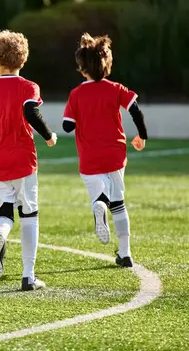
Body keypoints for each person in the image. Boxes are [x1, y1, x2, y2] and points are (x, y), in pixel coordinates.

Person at [0, 30, 57, 291]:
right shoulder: (29, 87)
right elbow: (31, 111)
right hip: (23, 160)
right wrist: (49, 135)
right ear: (22, 60)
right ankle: (28, 276)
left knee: (3, 213)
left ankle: (0, 235)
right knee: (29, 214)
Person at [62, 33, 149, 268]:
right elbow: (136, 111)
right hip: (115, 155)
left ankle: (99, 204)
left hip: (90, 157)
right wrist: (142, 135)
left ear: (82, 69)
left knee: (98, 194)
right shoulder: (116, 88)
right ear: (107, 65)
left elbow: (67, 126)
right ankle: (125, 253)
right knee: (119, 203)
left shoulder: (77, 94)